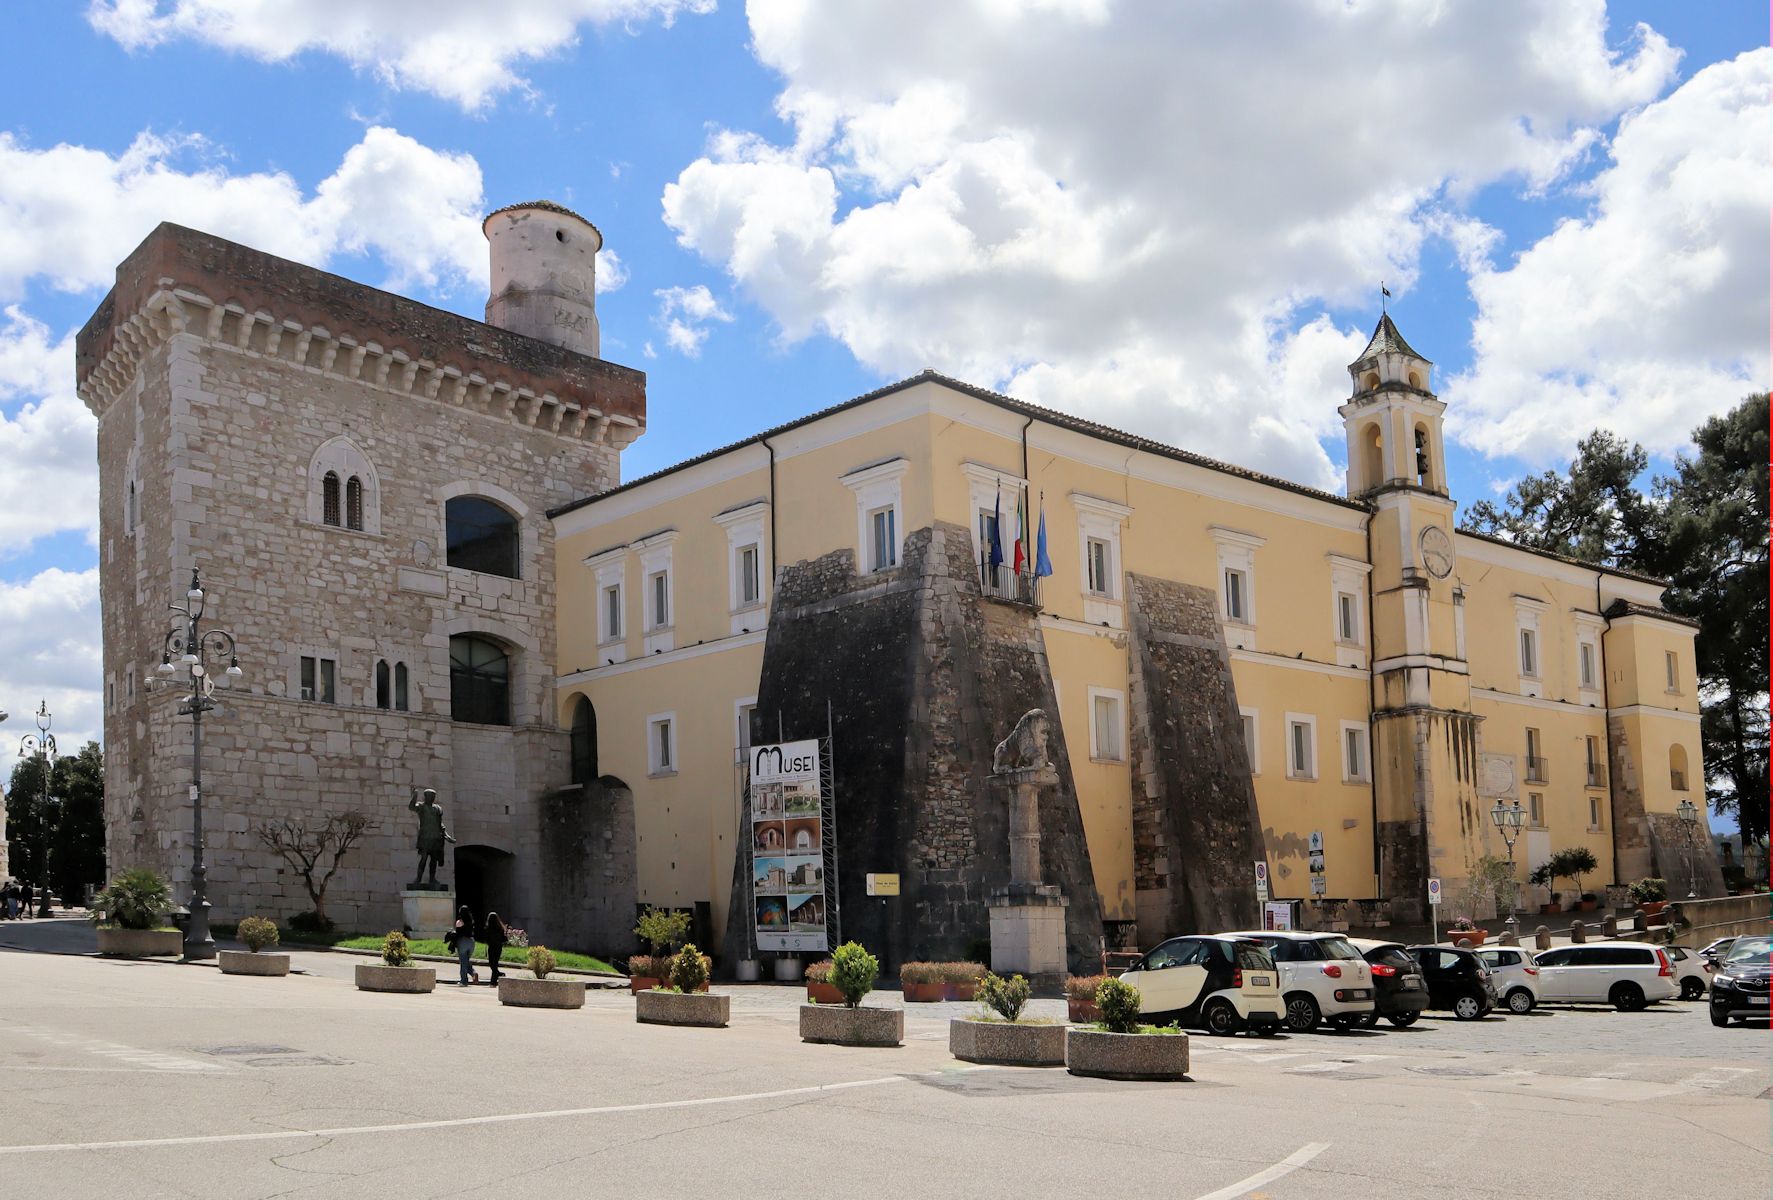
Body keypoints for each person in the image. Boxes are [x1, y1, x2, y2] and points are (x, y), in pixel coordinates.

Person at [448, 906, 478, 987]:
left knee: (463, 962)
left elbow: (458, 933)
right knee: (466, 960)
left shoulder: (459, 922)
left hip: (462, 942)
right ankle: (473, 973)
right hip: (471, 942)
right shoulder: (471, 922)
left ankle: (464, 980)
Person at [483, 911, 508, 985]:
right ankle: (497, 977)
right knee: (494, 964)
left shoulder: (488, 928)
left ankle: (494, 981)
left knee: (492, 964)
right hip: (498, 947)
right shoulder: (500, 928)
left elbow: (485, 939)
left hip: (491, 947)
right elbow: (504, 939)